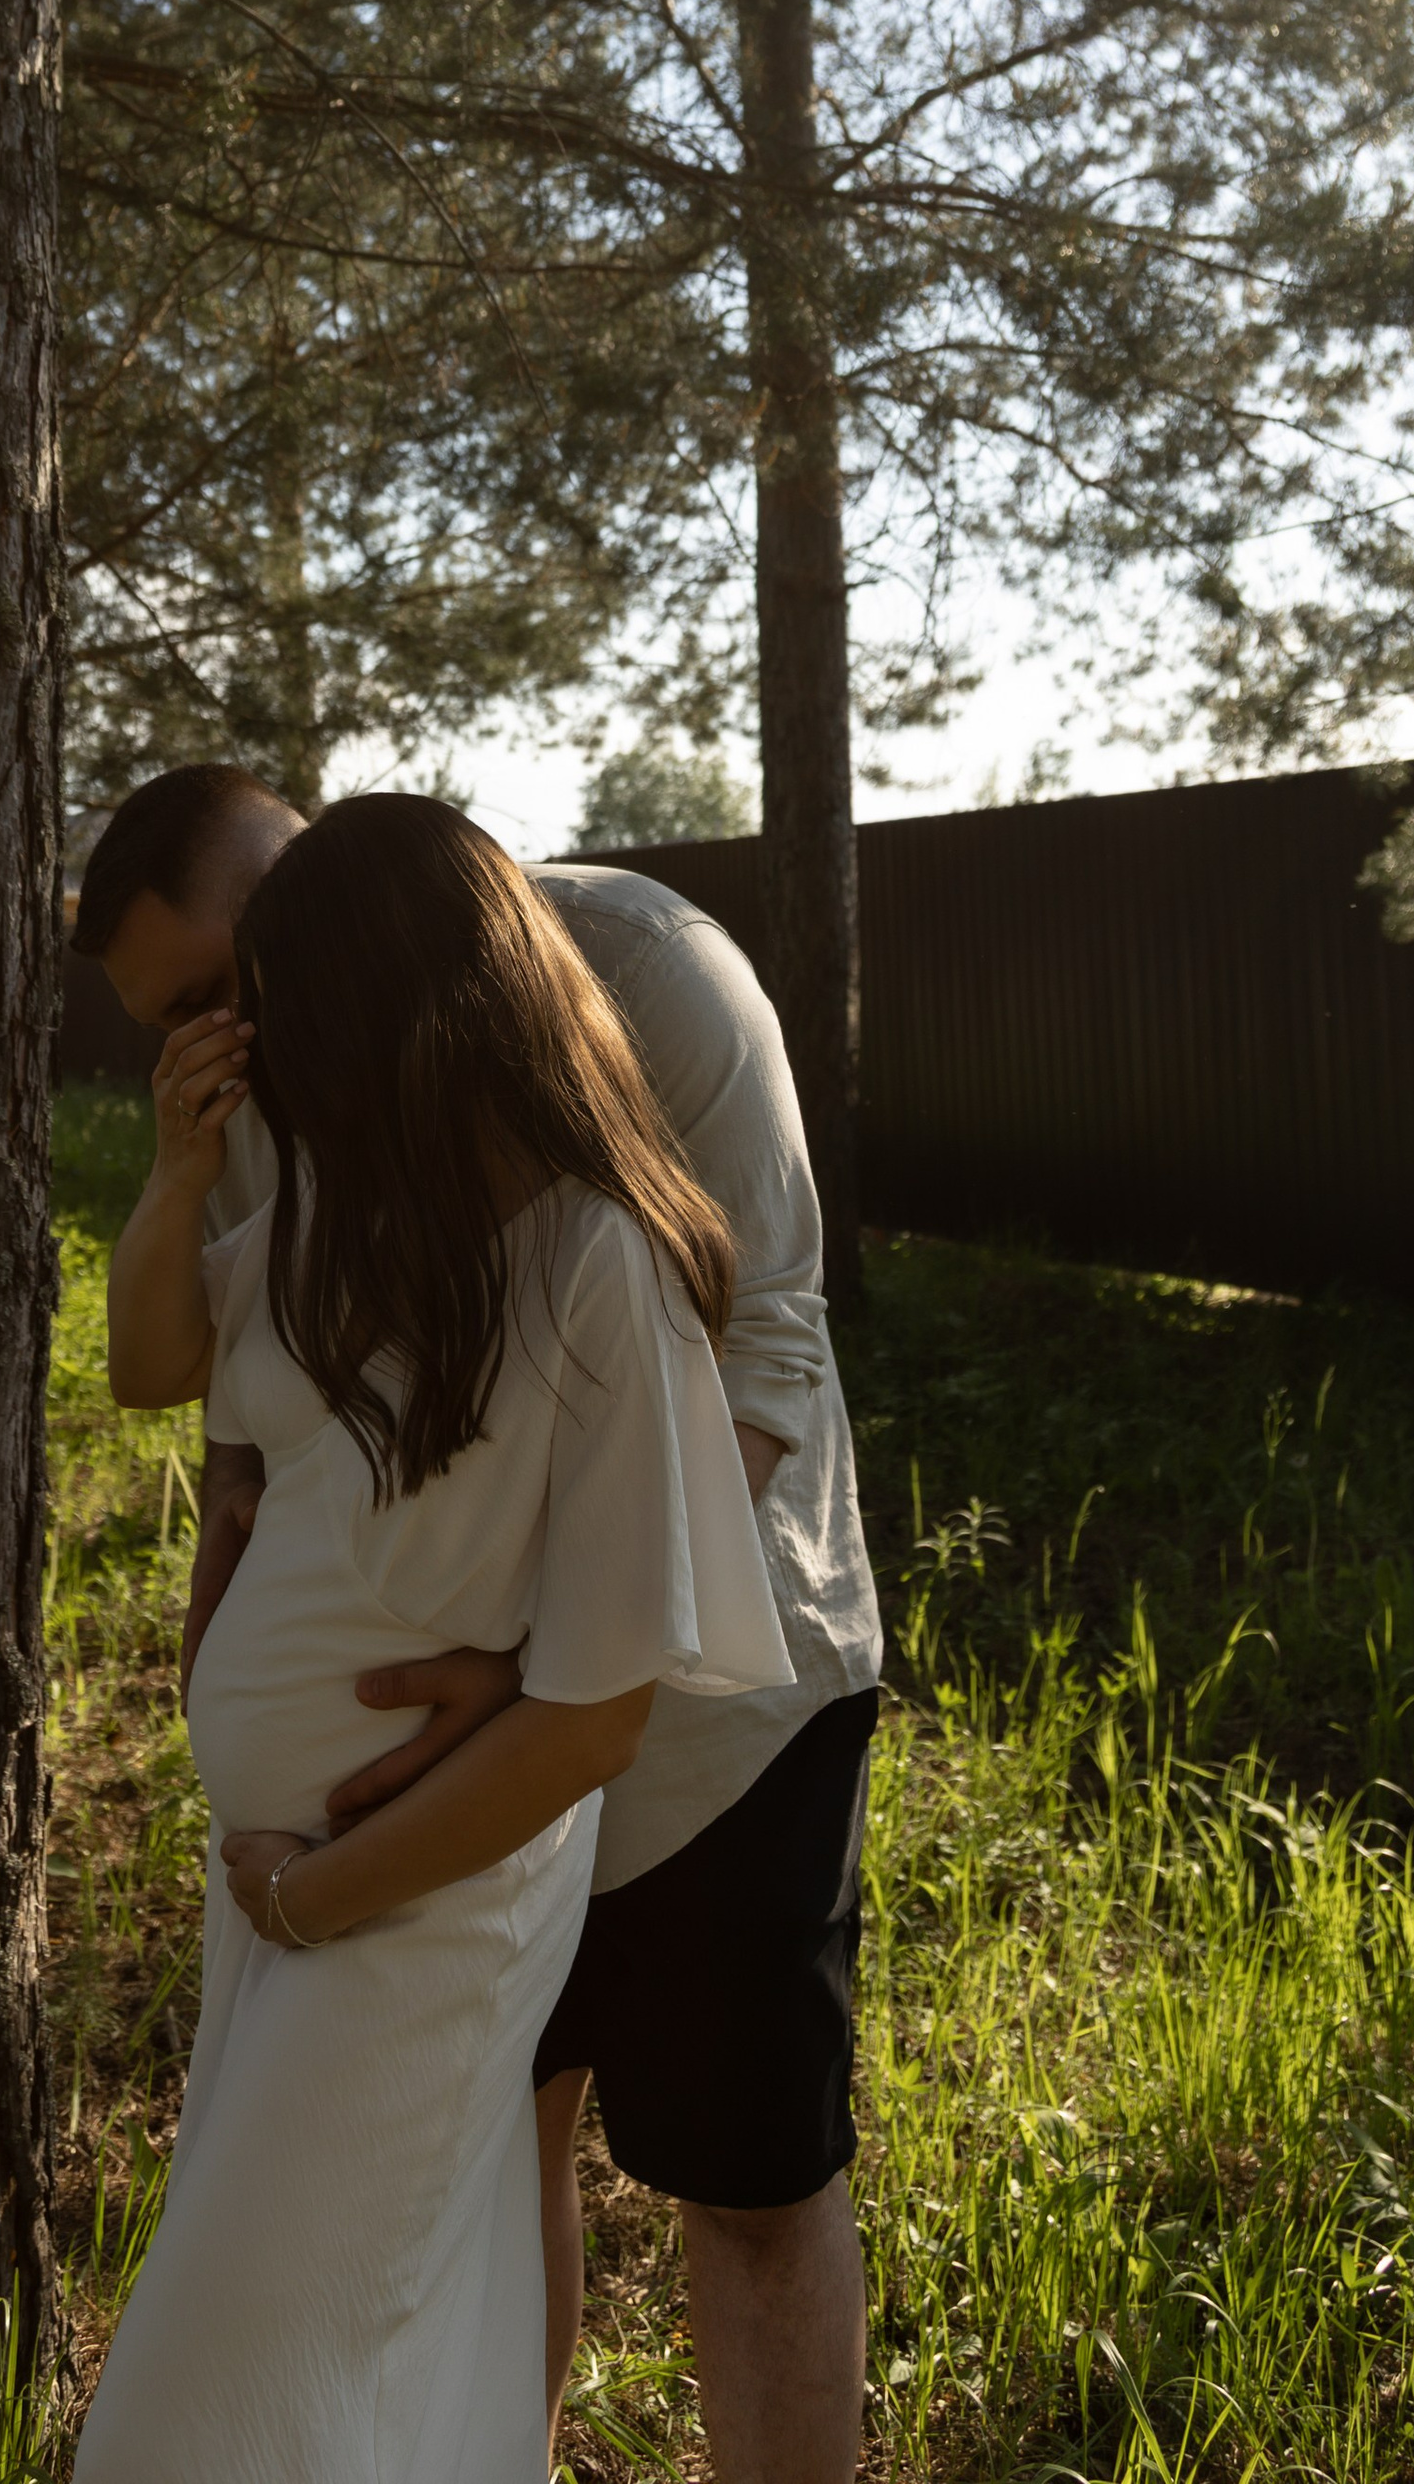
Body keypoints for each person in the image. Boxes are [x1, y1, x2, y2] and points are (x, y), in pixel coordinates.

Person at [75, 763, 884, 2482]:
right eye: (180, 1016)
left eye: (227, 983)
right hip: (422, 1813)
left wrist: (533, 1685)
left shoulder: (647, 967)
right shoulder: (267, 1094)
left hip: (705, 1742)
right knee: (480, 2191)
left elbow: (770, 1351)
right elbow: (246, 1422)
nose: (223, 1034)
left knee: (746, 2189)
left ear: (316, 877)